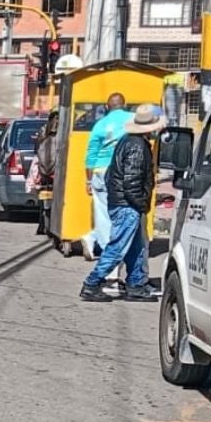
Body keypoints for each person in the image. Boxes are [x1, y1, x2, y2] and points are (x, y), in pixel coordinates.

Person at [79, 104, 166, 303]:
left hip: (124, 202)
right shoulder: (137, 146)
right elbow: (132, 181)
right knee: (118, 247)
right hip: (128, 205)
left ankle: (135, 284)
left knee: (136, 247)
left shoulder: (129, 142)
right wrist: (142, 202)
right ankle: (92, 283)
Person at [82, 93, 135, 261]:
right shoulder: (134, 119)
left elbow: (91, 155)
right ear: (124, 105)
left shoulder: (100, 125)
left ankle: (102, 245)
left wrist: (89, 180)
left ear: (107, 107)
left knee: (104, 213)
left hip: (101, 171)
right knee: (125, 212)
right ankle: (108, 249)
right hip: (127, 171)